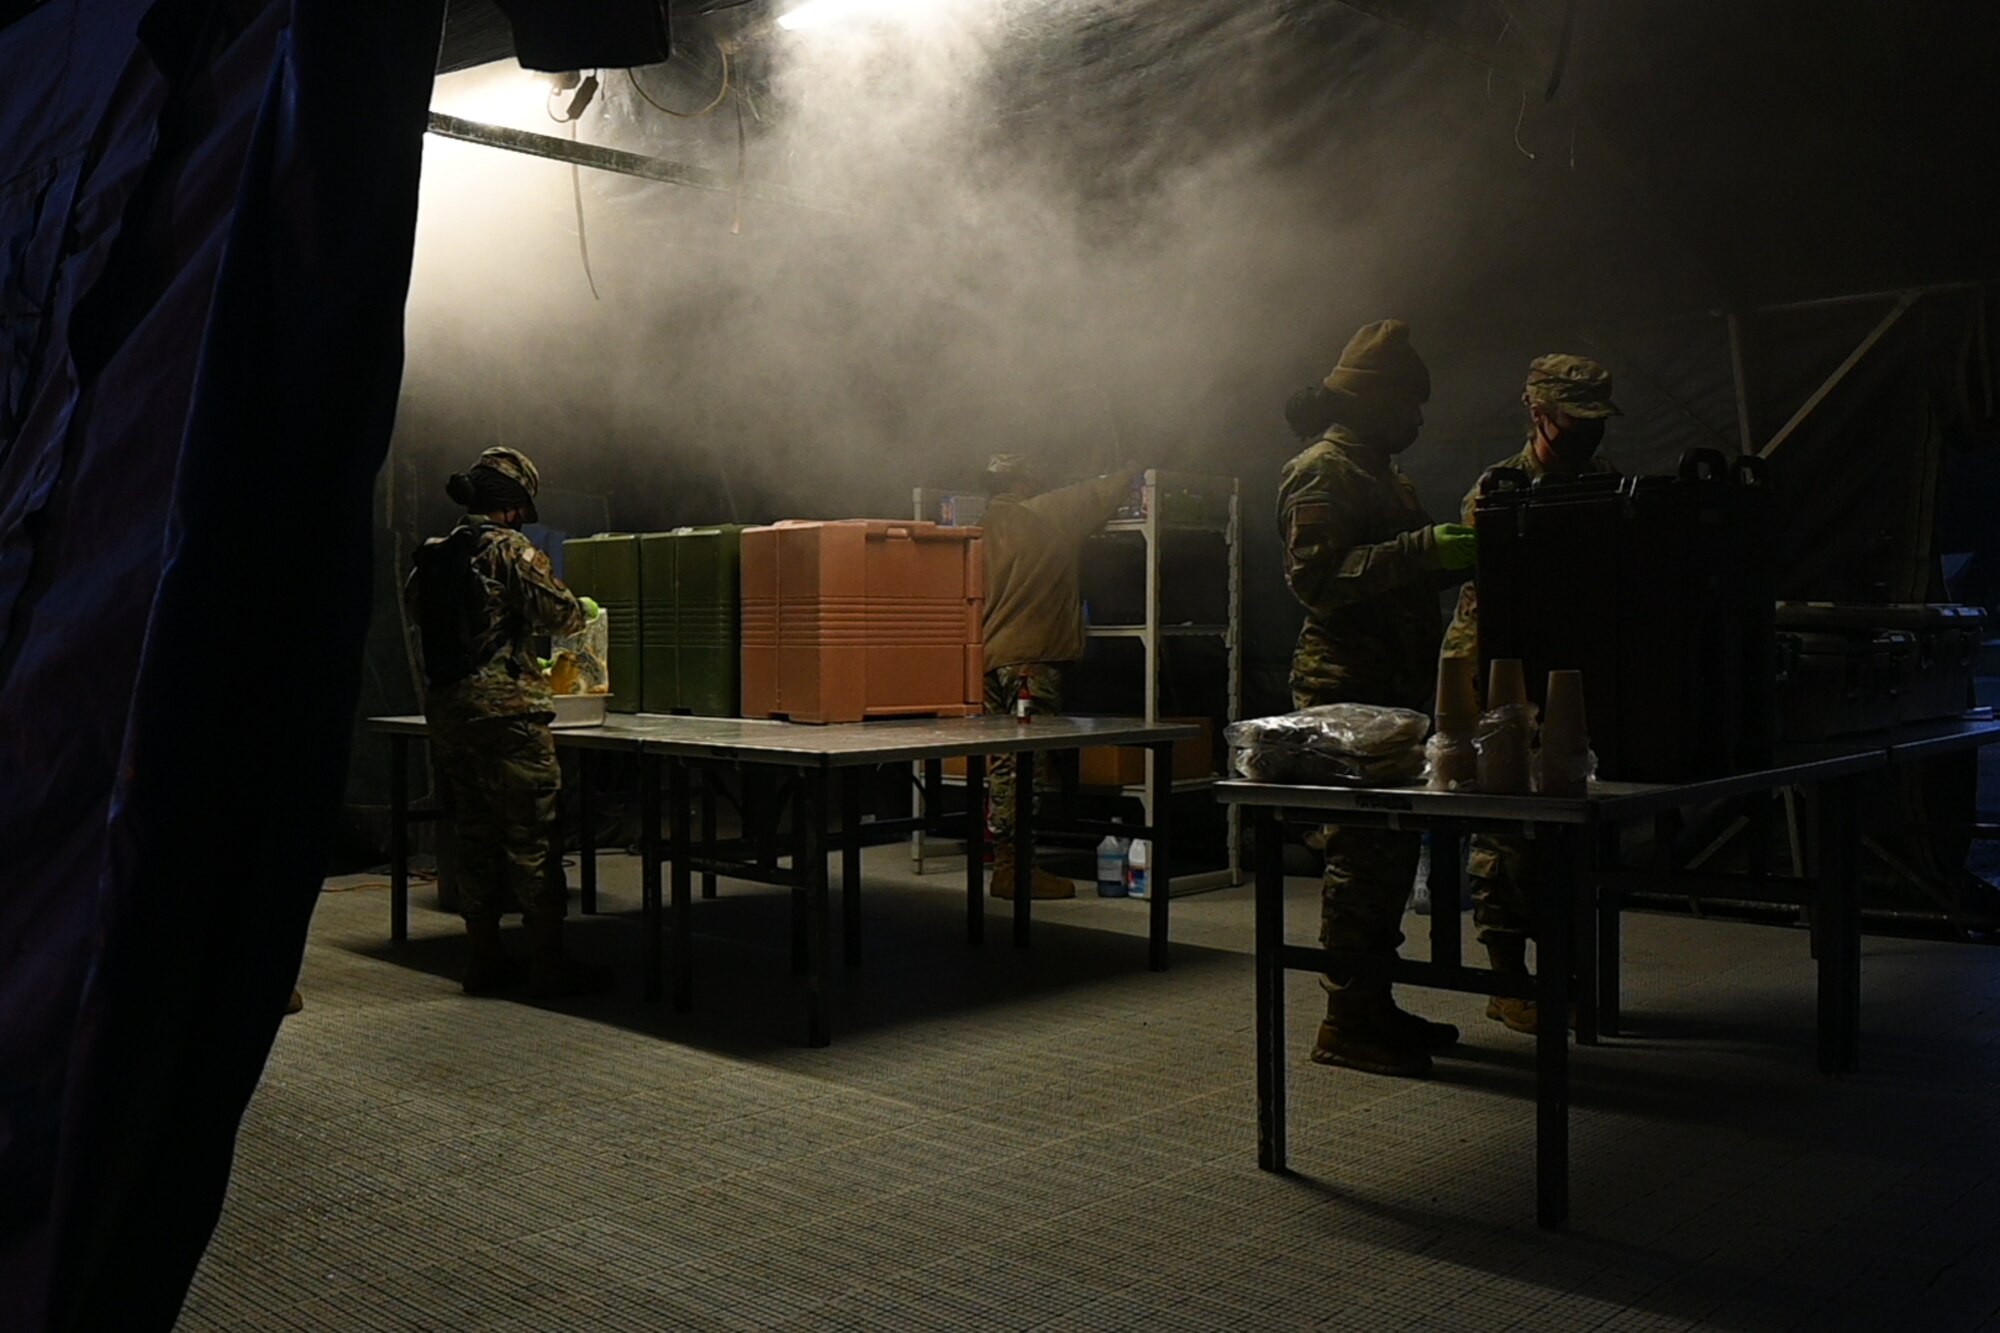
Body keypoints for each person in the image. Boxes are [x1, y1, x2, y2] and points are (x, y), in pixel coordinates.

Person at [1279, 319, 1476, 1078]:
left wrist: (1440, 564)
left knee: (1389, 857)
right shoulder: (1324, 470)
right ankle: (1345, 1020)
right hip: (1345, 693)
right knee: (1361, 859)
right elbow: (1317, 582)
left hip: (1390, 692)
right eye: (1409, 406)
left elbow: (1389, 572)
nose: (1420, 422)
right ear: (1371, 402)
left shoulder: (1382, 471)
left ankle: (1372, 1003)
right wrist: (1425, 550)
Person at [1440, 354, 1621, 1034]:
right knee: (1506, 828)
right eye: (1578, 419)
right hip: (1499, 666)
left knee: (1569, 827)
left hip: (1571, 667)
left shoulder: (1604, 481)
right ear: (1539, 414)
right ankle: (1505, 977)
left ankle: (1564, 969)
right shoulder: (1502, 487)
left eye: (1598, 419)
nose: (1590, 433)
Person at [406, 446, 611, 998]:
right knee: (532, 834)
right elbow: (563, 614)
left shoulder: (432, 555)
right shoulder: (508, 550)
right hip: (508, 717)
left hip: (451, 715)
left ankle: (484, 958)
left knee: (474, 833)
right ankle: (548, 959)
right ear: (513, 506)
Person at [980, 452, 1142, 900]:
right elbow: (1102, 491)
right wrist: (1133, 465)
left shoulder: (981, 526)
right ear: (1028, 481)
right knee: (1023, 769)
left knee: (1000, 768)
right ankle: (1017, 872)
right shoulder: (1044, 515)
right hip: (1030, 661)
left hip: (987, 660)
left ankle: (1006, 863)